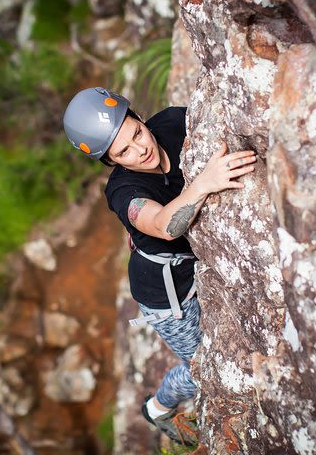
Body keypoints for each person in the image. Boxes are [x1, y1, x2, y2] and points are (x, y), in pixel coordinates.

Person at [62, 87, 257, 446]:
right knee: (204, 364)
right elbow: (165, 226)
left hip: (190, 266)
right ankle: (159, 407)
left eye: (136, 132)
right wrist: (204, 184)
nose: (141, 150)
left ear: (139, 117)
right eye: (123, 151)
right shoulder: (123, 191)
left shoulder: (170, 121)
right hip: (165, 296)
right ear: (110, 161)